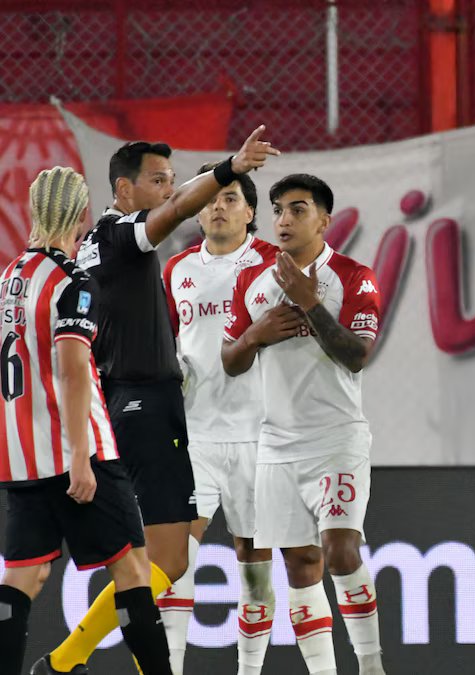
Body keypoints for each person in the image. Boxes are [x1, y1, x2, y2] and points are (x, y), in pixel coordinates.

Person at [36, 128, 279, 675]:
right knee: (168, 561)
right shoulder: (135, 241)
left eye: (173, 180)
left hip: (164, 411)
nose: (170, 190)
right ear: (124, 190)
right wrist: (229, 166)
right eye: (158, 180)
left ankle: (71, 659)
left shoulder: (98, 242)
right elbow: (168, 219)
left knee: (165, 562)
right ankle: (67, 659)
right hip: (163, 415)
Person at [0, 167, 171, 675]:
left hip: (21, 456)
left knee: (21, 580)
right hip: (81, 452)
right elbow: (74, 369)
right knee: (132, 570)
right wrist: (80, 456)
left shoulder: (8, 278)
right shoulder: (73, 282)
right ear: (81, 216)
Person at [222, 174, 384, 675]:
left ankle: (373, 665)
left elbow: (357, 356)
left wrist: (310, 303)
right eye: (278, 210)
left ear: (323, 220)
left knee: (339, 552)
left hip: (337, 439)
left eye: (297, 209)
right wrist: (255, 335)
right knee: (299, 565)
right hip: (276, 444)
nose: (284, 220)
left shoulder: (354, 277)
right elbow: (230, 360)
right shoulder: (252, 280)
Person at [160, 163, 279, 674]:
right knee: (173, 559)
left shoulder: (277, 265)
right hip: (196, 436)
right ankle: (171, 665)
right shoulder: (177, 270)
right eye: (208, 198)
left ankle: (248, 670)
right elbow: (165, 344)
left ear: (251, 212)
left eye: (230, 197)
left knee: (253, 560)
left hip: (261, 435)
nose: (217, 206)